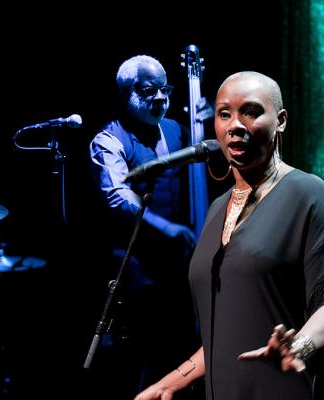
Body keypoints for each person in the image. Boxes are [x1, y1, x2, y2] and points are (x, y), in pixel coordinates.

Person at [133, 70, 324, 400]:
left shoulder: (308, 194)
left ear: (280, 121)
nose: (235, 124)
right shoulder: (217, 208)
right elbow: (226, 336)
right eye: (225, 114)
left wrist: (299, 347)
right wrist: (171, 382)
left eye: (250, 111)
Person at [88, 55, 203, 399]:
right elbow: (118, 196)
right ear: (126, 94)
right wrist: (165, 227)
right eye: (148, 90)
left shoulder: (176, 130)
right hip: (137, 265)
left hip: (181, 261)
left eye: (165, 90)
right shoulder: (108, 139)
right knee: (144, 354)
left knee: (185, 346)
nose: (160, 99)